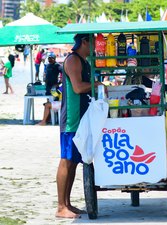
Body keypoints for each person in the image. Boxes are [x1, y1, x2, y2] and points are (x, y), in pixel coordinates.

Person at [56, 33, 103, 218]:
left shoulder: (83, 60)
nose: (95, 47)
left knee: (74, 162)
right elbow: (77, 88)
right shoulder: (73, 60)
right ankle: (60, 207)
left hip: (81, 117)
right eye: (93, 43)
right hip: (72, 120)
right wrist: (97, 84)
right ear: (84, 42)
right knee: (66, 160)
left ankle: (67, 203)